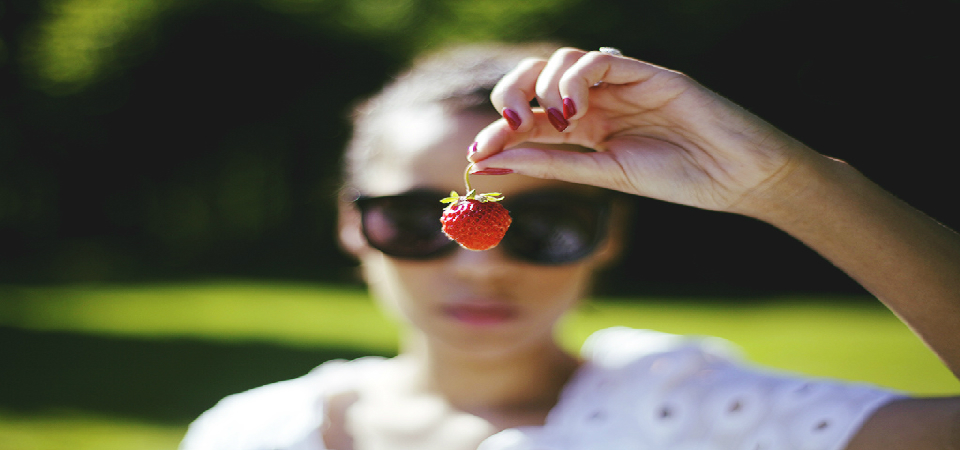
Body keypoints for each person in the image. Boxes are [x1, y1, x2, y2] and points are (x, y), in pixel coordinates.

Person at [179, 43, 960, 450]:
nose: (477, 262)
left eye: (546, 222)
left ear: (606, 235)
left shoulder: (695, 415)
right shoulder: (253, 434)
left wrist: (788, 183)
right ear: (355, 225)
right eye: (421, 219)